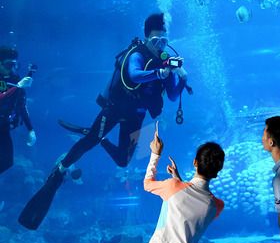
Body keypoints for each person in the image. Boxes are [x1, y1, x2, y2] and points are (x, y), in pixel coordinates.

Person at [18, 13, 188, 230]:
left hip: (136, 116)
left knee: (123, 161)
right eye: (156, 41)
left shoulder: (165, 63)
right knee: (89, 142)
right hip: (115, 109)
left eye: (164, 41)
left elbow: (173, 95)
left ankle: (95, 134)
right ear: (147, 39)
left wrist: (181, 77)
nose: (160, 46)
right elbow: (134, 75)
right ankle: (61, 168)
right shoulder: (137, 54)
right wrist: (159, 73)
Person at [142, 123, 225, 243]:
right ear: (217, 172)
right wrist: (178, 179)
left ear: (195, 162)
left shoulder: (172, 187)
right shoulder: (217, 206)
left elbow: (147, 184)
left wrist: (155, 154)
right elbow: (191, 204)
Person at [0, 46, 36, 175]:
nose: (13, 69)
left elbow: (21, 105)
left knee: (7, 162)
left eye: (16, 65)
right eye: (9, 65)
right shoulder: (17, 83)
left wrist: (31, 129)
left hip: (3, 126)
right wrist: (17, 87)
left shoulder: (15, 80)